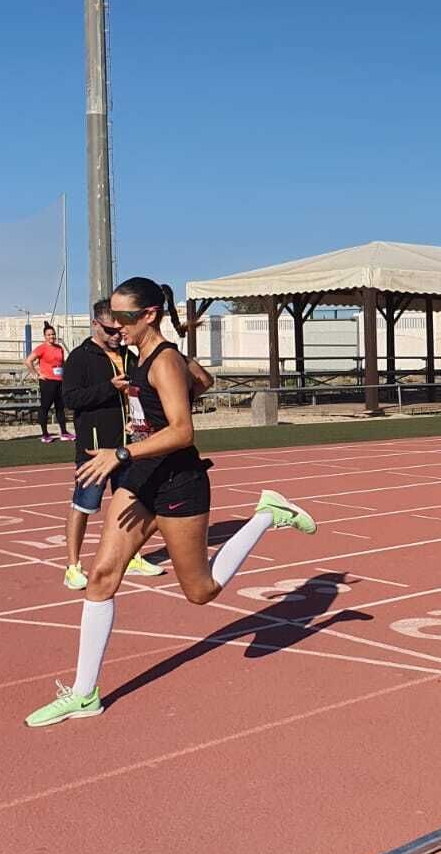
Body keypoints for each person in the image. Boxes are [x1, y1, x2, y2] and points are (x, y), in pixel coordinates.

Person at [26, 277, 316, 727]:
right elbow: (204, 380)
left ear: (149, 316)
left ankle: (266, 514)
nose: (115, 325)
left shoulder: (162, 361)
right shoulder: (146, 357)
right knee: (101, 576)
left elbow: (183, 431)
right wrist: (170, 381)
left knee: (201, 592)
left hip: (178, 482)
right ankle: (84, 694)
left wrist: (121, 452)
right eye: (111, 318)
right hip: (142, 478)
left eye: (123, 318)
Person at [60, 299, 166, 588]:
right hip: (95, 449)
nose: (116, 335)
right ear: (95, 324)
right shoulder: (80, 358)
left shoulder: (129, 355)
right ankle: (72, 566)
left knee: (129, 503)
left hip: (127, 447)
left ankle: (130, 556)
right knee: (84, 506)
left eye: (119, 329)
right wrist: (110, 388)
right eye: (110, 330)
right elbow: (71, 399)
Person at [25, 322, 74, 443]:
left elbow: (62, 363)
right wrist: (37, 374)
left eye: (53, 334)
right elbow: (28, 361)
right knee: (45, 407)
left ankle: (64, 432)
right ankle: (45, 434)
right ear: (45, 336)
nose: (52, 336)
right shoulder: (42, 348)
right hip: (47, 382)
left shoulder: (59, 348)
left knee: (60, 407)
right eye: (49, 335)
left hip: (59, 381)